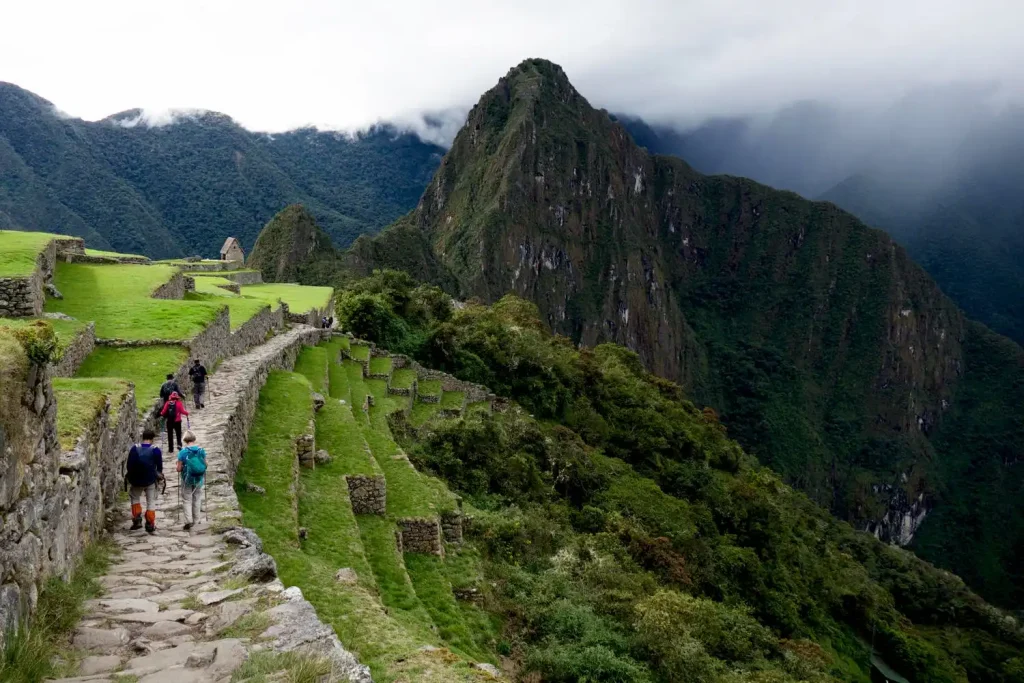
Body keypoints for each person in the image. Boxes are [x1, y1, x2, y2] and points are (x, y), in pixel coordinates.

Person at [125, 429, 163, 533]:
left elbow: (129, 465)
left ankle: (137, 519)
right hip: (150, 479)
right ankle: (150, 524)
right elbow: (159, 468)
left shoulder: (134, 448)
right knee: (151, 501)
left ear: (143, 437)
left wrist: (131, 476)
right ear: (152, 439)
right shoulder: (156, 450)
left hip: (136, 480)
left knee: (135, 497)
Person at [176, 430, 207, 531]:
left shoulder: (183, 452)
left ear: (185, 440)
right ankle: (196, 520)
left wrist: (178, 465)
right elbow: (206, 465)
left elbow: (179, 469)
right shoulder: (201, 450)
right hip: (199, 478)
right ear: (194, 438)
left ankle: (188, 520)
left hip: (187, 478)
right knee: (197, 498)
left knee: (187, 499)